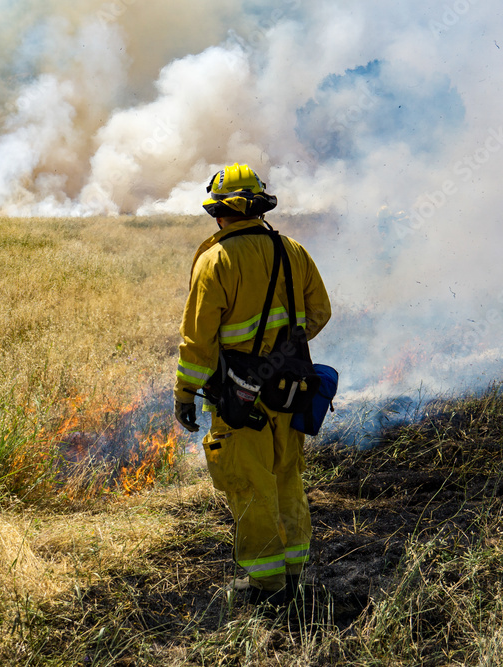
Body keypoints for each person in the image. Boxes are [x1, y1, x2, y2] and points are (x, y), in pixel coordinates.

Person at [173, 163, 331, 607]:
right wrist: (283, 350)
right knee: (287, 478)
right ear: (259, 206)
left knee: (249, 485)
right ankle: (295, 572)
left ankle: (266, 585)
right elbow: (319, 313)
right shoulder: (292, 250)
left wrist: (186, 394)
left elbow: (198, 341)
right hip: (290, 389)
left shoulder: (216, 260)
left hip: (239, 397)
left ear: (219, 213)